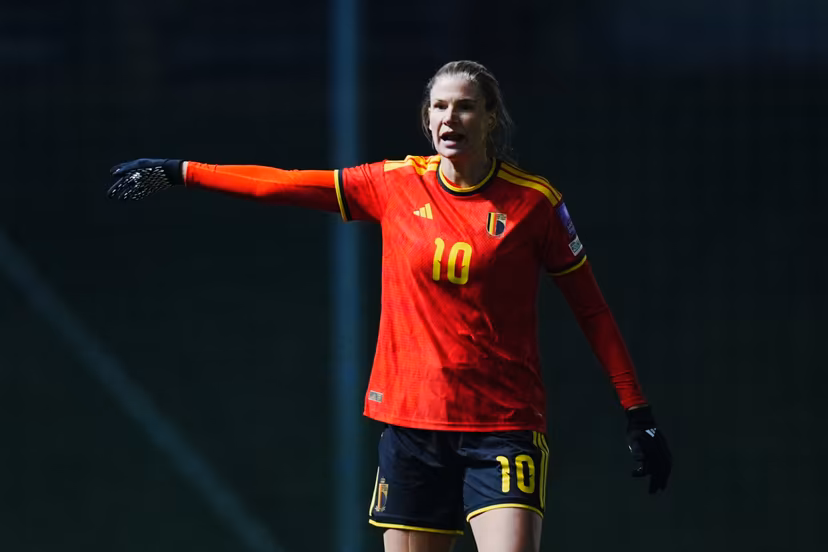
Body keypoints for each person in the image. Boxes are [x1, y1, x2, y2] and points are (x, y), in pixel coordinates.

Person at [108, 60, 671, 552]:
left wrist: (637, 413)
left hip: (503, 426)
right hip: (412, 427)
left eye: (467, 108)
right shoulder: (394, 184)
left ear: (492, 118)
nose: (451, 119)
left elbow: (593, 311)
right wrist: (180, 172)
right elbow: (281, 184)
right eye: (440, 107)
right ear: (427, 119)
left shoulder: (534, 204)